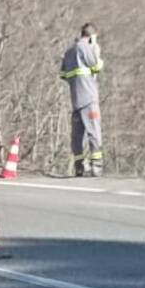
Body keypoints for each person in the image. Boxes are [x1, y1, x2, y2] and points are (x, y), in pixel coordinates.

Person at [60, 23, 104, 177]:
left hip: (75, 98)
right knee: (94, 132)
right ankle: (96, 167)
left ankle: (79, 166)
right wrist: (97, 53)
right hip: (89, 98)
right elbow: (96, 66)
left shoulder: (69, 51)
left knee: (77, 136)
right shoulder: (85, 48)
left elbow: (63, 75)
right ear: (91, 37)